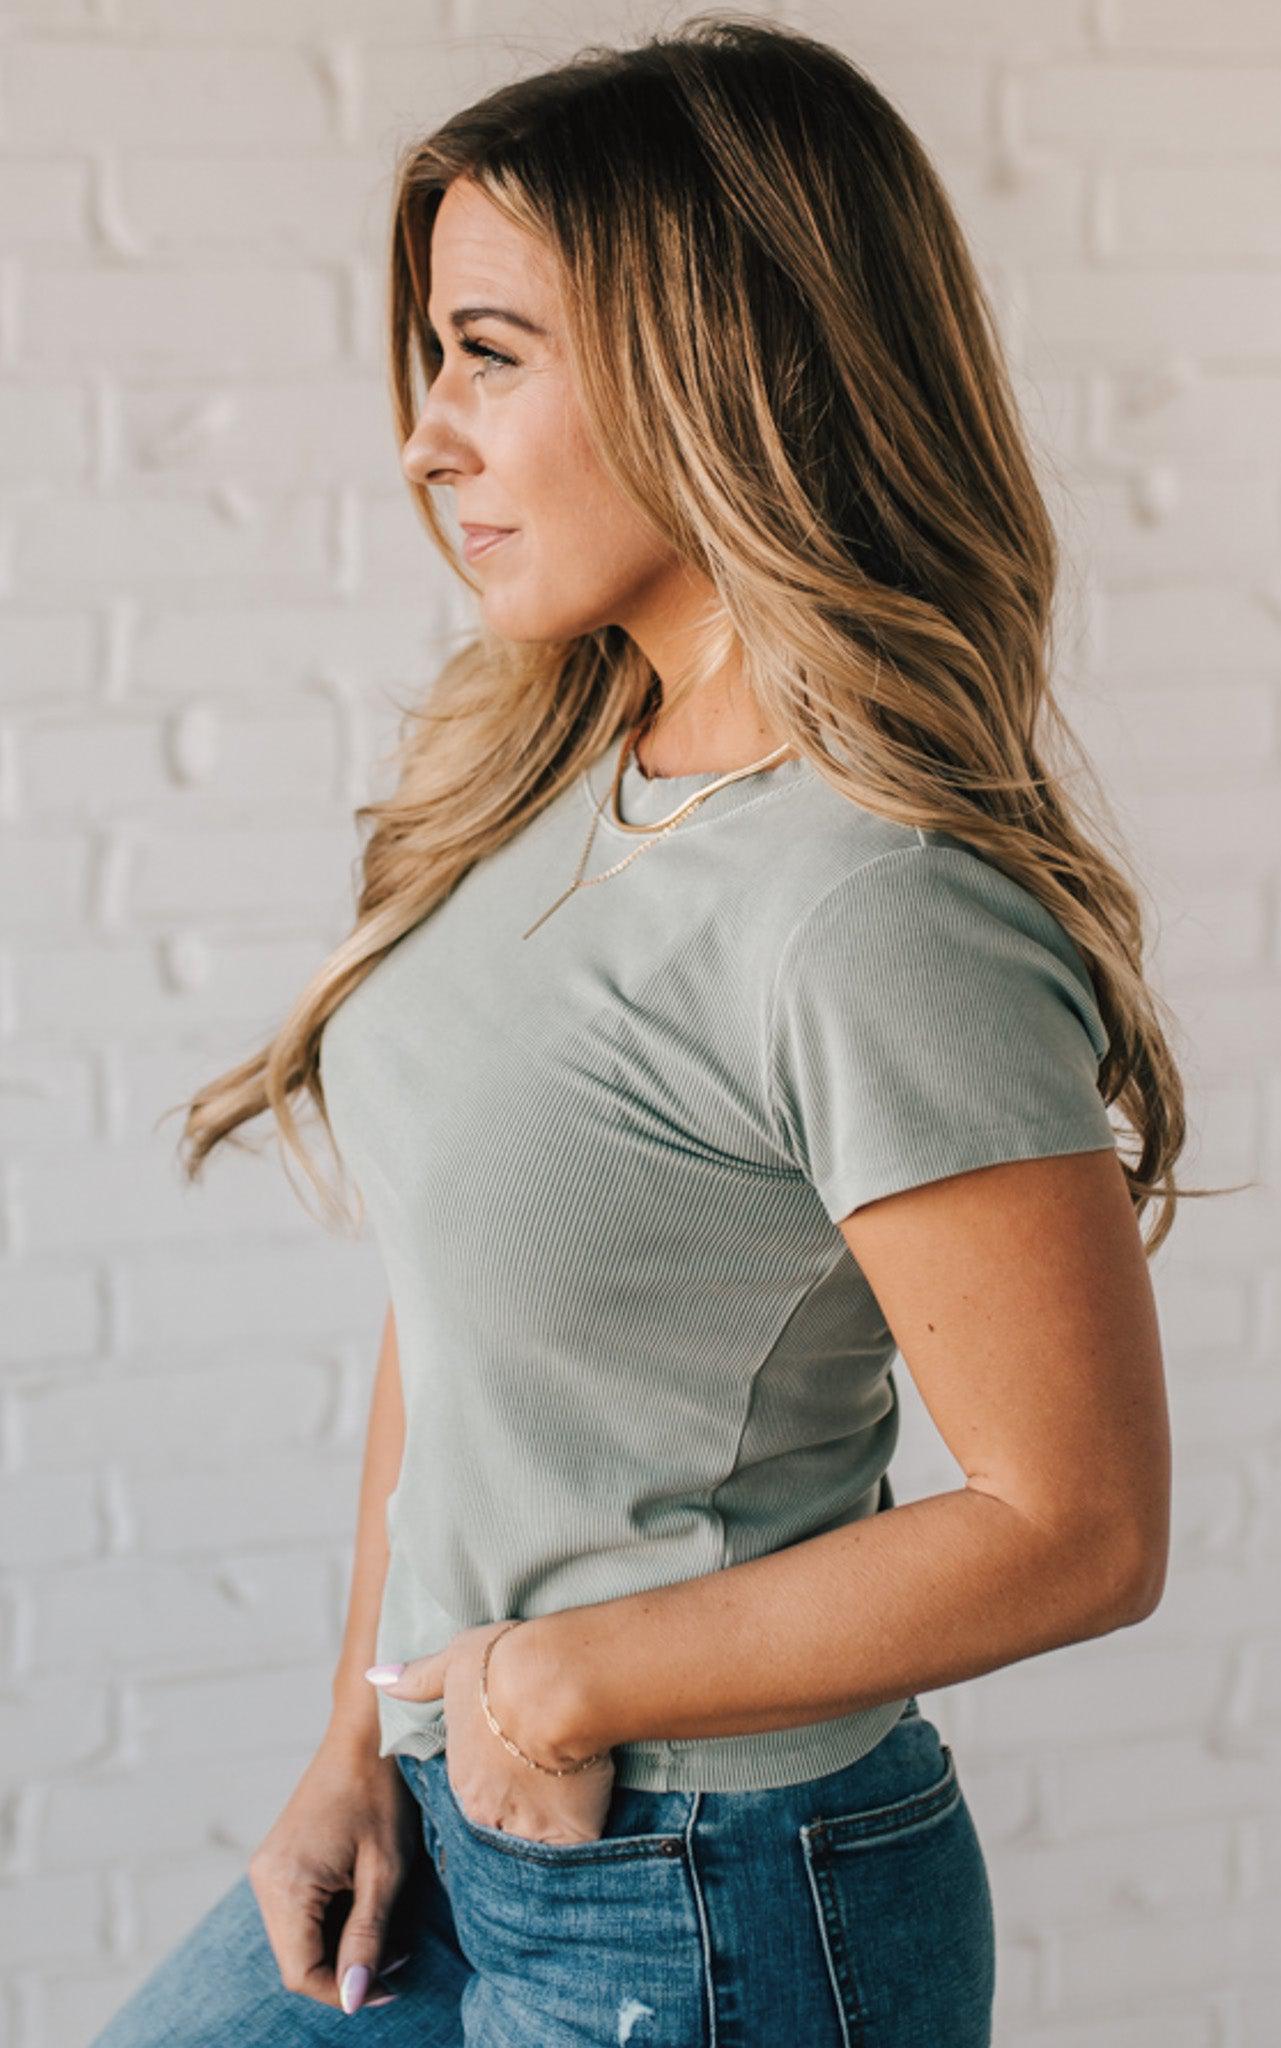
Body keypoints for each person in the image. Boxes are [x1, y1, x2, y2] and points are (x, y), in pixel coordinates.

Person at [92, 14, 1203, 2045]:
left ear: (727, 362)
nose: (426, 434)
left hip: (707, 1899)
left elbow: (1079, 1522)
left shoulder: (868, 905)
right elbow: (455, 1306)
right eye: (433, 353)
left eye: (489, 350)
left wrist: (564, 1677)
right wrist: (367, 1729)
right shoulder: (557, 769)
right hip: (447, 1811)